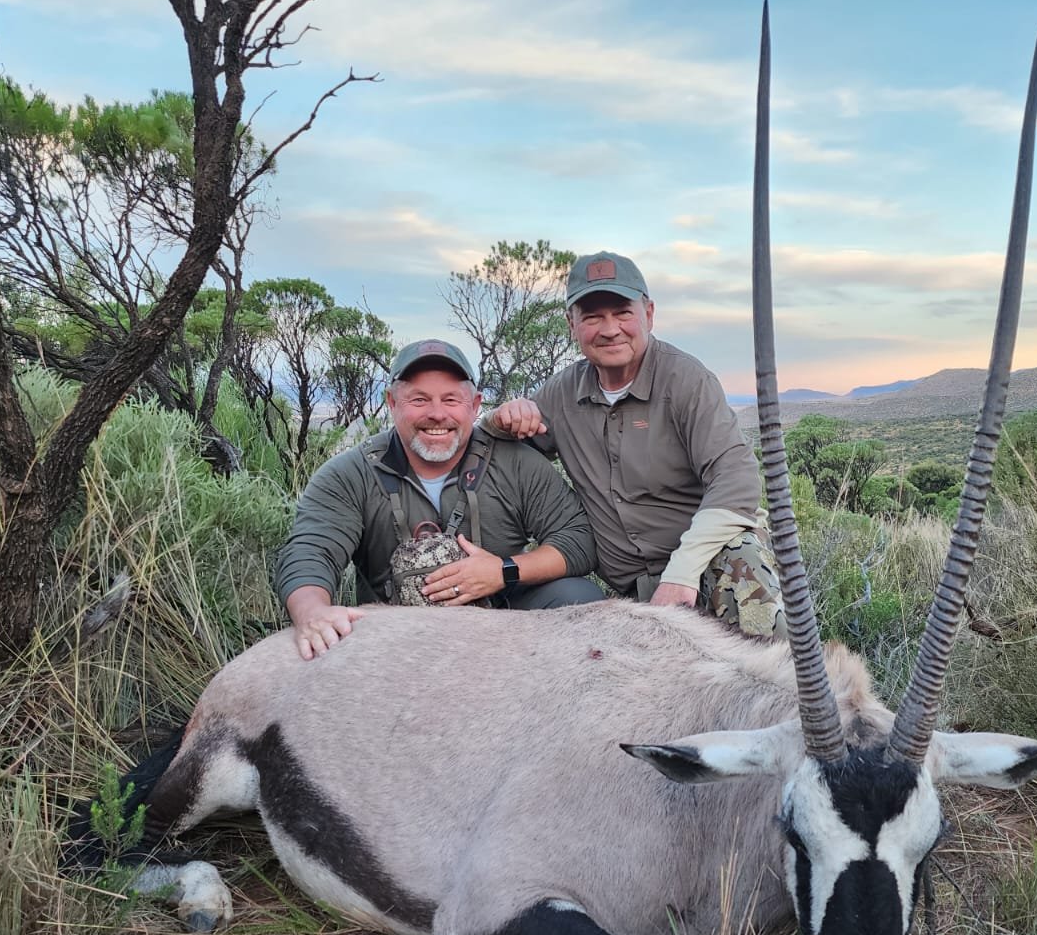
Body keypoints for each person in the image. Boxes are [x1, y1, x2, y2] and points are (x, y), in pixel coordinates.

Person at [488, 252, 783, 638]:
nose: (610, 329)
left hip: (706, 563)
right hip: (627, 589)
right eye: (592, 316)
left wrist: (682, 572)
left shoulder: (686, 380)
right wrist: (499, 419)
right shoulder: (561, 393)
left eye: (622, 312)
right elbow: (508, 446)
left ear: (649, 312)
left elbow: (737, 480)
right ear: (572, 324)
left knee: (753, 607)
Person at [277, 338, 602, 659]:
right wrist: (313, 613)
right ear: (392, 402)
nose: (436, 414)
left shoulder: (516, 462)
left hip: (504, 623)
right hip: (395, 632)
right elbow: (310, 552)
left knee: (577, 596)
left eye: (451, 400)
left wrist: (502, 571)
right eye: (419, 400)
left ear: (474, 405)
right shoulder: (349, 473)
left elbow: (577, 539)